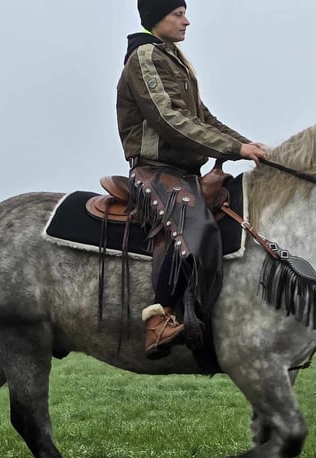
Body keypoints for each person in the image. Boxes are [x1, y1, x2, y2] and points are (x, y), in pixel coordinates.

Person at [116, 0, 267, 358]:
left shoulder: (174, 58)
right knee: (196, 227)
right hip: (155, 169)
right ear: (157, 19)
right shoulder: (145, 58)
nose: (187, 21)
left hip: (184, 170)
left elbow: (202, 118)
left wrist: (245, 144)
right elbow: (168, 120)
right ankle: (159, 319)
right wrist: (234, 148)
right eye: (178, 14)